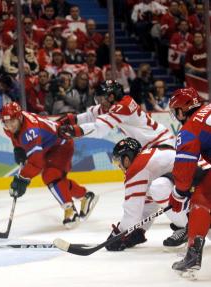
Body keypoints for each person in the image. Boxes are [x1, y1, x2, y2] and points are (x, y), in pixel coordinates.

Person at [1, 102, 98, 228]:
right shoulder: (12, 125)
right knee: (57, 179)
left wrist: (22, 179)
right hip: (48, 146)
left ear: (19, 117)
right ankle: (85, 196)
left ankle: (70, 209)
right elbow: (16, 136)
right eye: (6, 122)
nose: (9, 125)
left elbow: (37, 163)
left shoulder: (30, 131)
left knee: (50, 176)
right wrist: (18, 148)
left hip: (61, 146)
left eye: (12, 121)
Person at [105, 137, 188, 251]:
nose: (119, 166)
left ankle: (187, 226)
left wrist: (117, 234)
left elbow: (132, 213)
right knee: (156, 189)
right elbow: (149, 204)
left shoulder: (136, 169)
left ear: (127, 158)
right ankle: (190, 223)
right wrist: (139, 229)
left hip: (198, 181)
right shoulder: (147, 161)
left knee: (159, 188)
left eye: (118, 161)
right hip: (198, 179)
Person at [167, 87, 211, 277]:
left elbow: (184, 174)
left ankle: (193, 253)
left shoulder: (190, 129)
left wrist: (178, 193)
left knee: (201, 197)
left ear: (180, 110)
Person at [57, 80, 175, 150]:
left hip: (161, 143)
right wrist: (68, 120)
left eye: (102, 98)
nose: (100, 102)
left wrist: (73, 131)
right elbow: (89, 116)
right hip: (151, 146)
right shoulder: (111, 105)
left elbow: (100, 129)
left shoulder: (124, 106)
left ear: (111, 97)